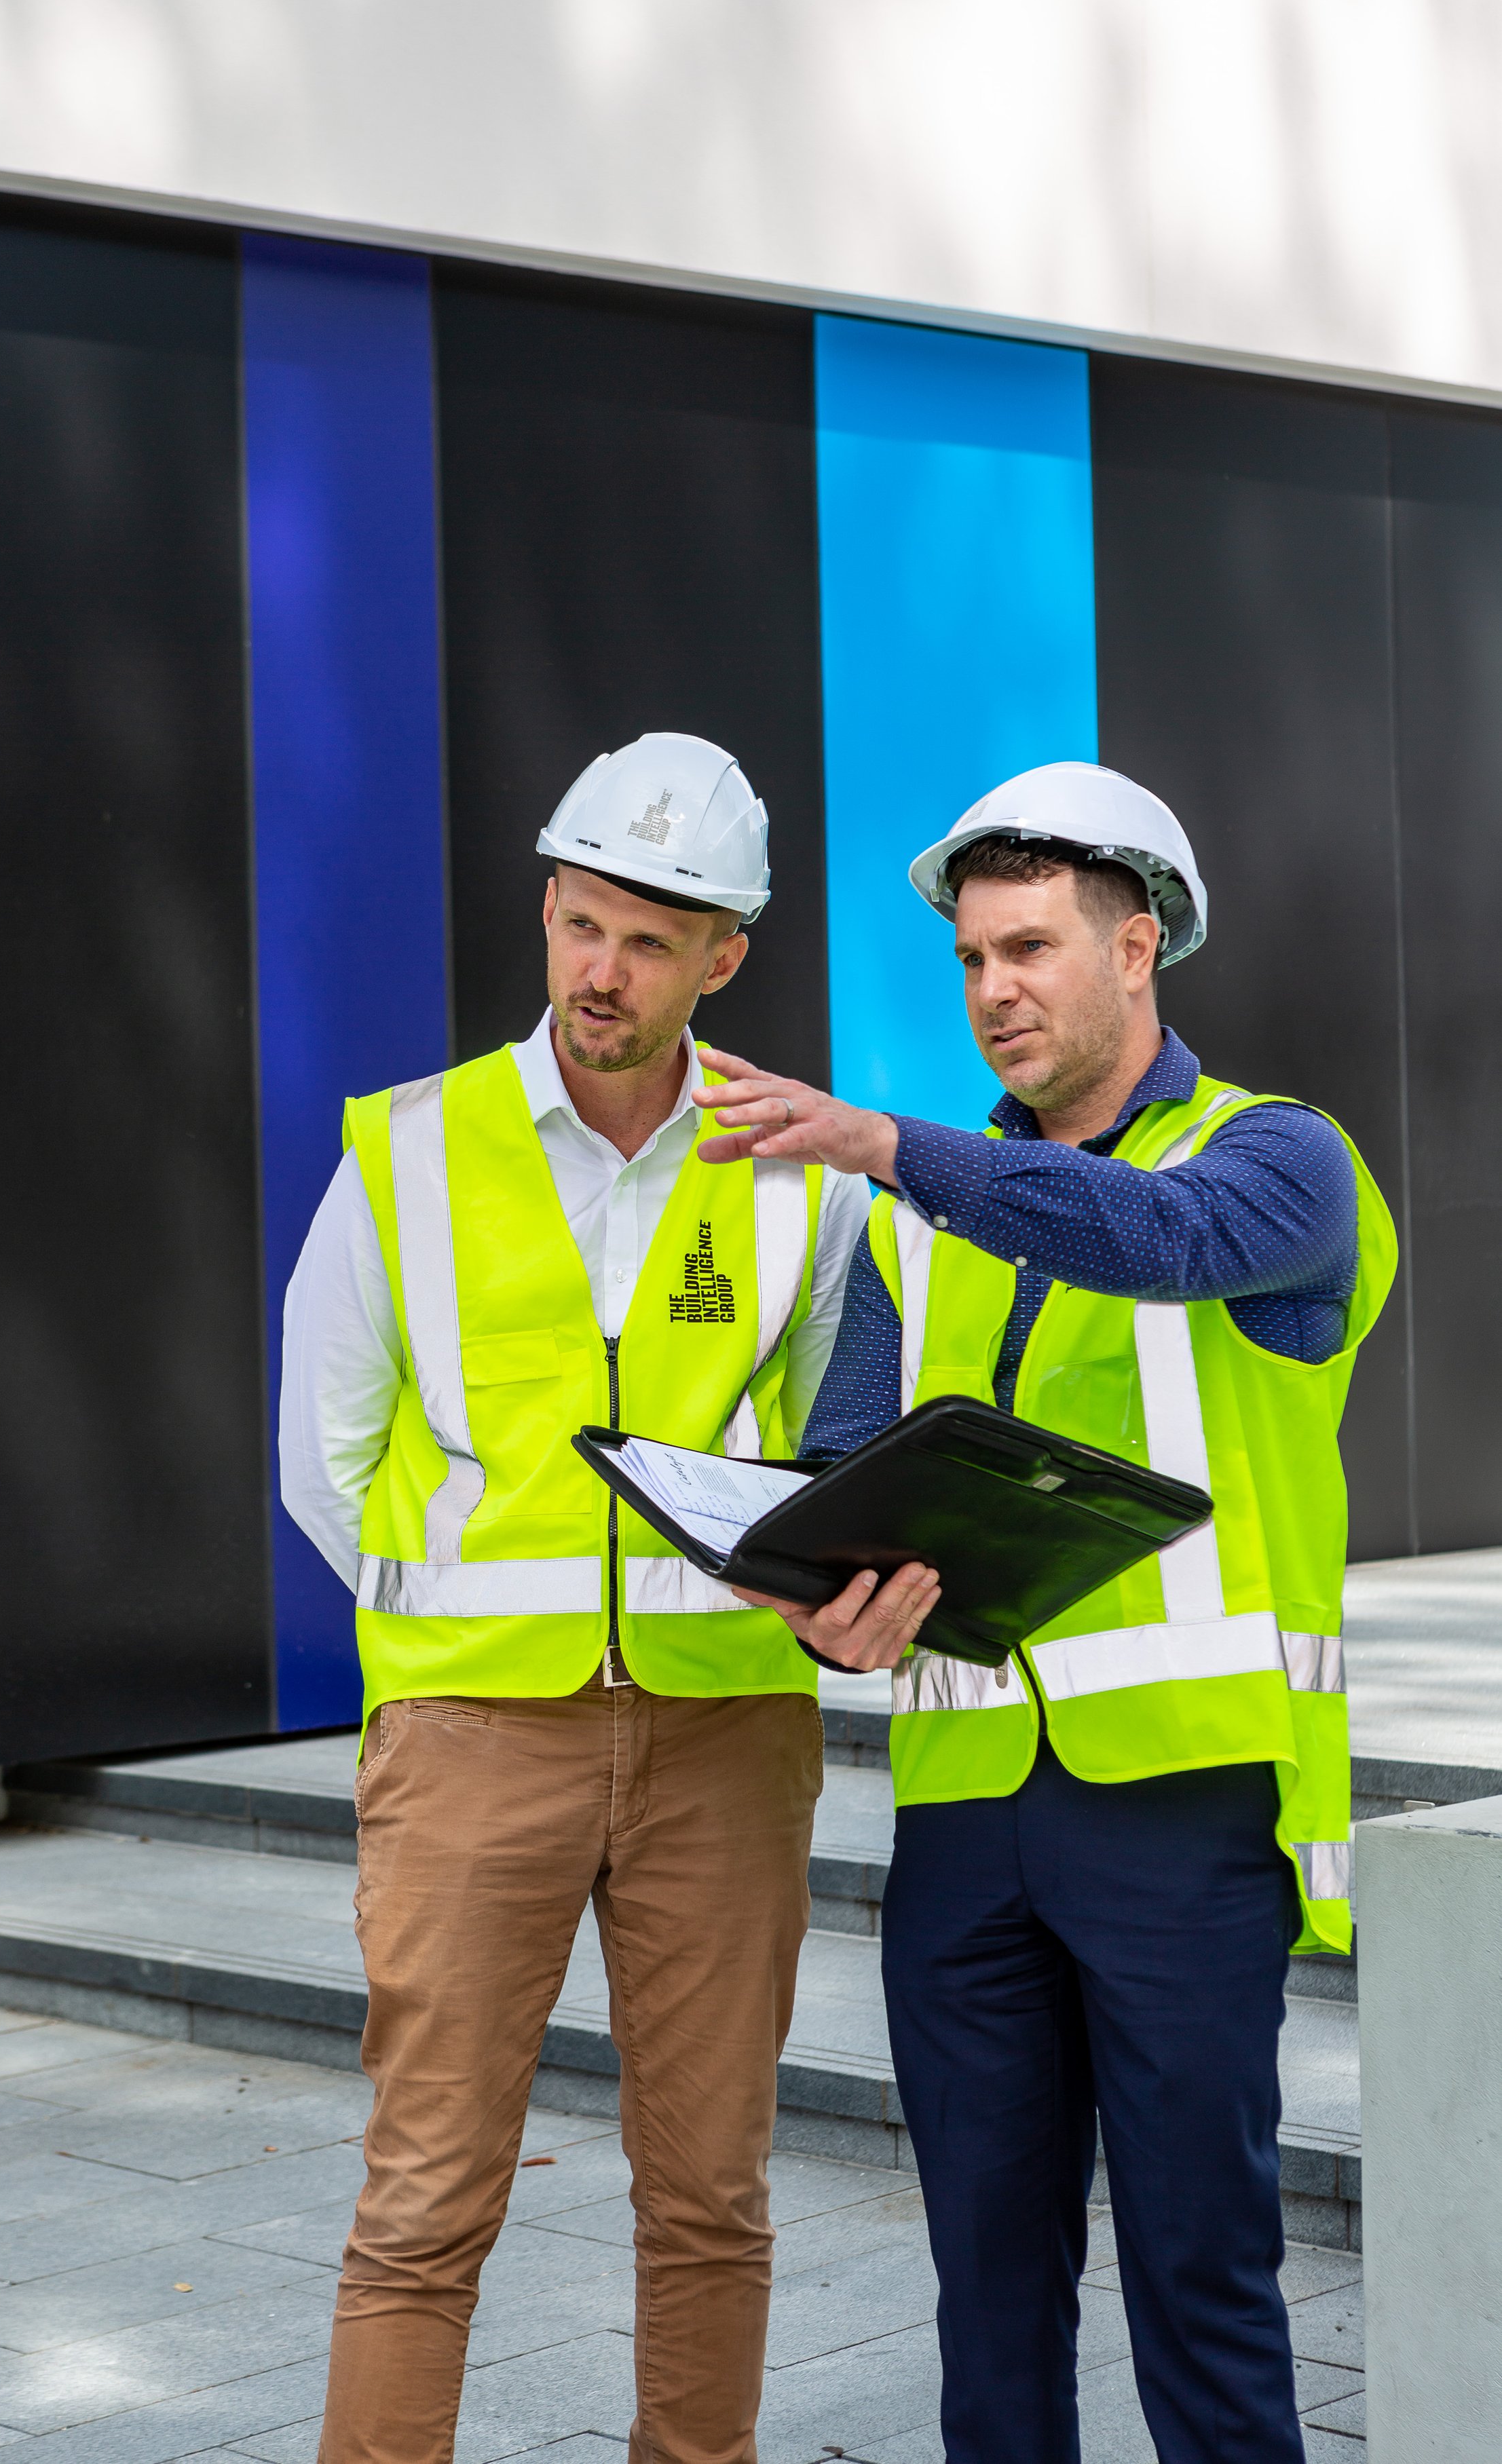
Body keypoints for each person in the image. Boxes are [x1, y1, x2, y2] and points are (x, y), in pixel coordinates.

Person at [692, 760, 1396, 2464]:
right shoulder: (912, 1229)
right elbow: (843, 1467)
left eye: (1027, 949)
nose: (993, 991)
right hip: (959, 1826)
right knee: (985, 2290)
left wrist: (882, 1143)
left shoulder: (1278, 1164)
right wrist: (820, 1607)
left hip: (1183, 1806)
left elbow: (1157, 1242)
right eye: (971, 962)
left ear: (1136, 946)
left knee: (1200, 2273)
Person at [280, 729, 937, 2464]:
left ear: (726, 956)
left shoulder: (799, 1170)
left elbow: (826, 1462)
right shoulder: (408, 1150)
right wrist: (452, 1643)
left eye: (650, 941)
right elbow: (320, 1460)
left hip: (726, 1735)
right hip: (472, 1735)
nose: (601, 970)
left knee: (711, 2193)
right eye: (581, 923)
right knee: (422, 2206)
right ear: (548, 908)